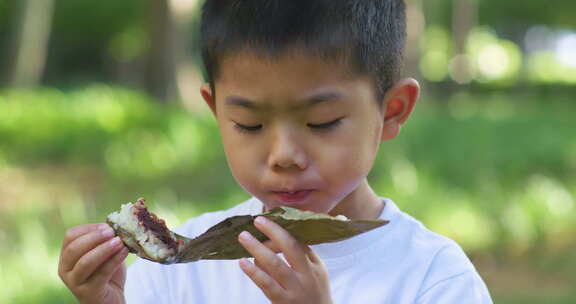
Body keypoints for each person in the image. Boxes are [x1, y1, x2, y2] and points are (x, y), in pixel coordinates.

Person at [58, 0, 494, 303]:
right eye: (250, 124)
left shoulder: (434, 278)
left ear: (392, 111)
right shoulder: (179, 271)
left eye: (321, 123)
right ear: (216, 110)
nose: (284, 155)